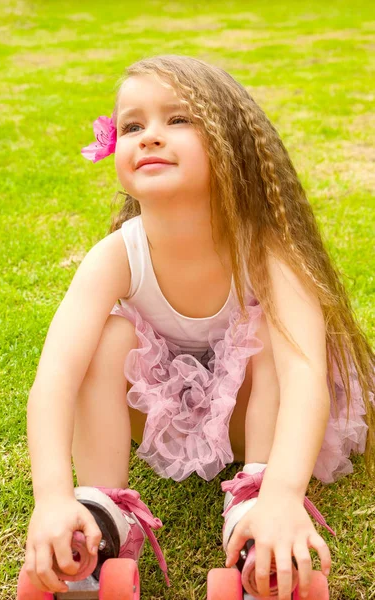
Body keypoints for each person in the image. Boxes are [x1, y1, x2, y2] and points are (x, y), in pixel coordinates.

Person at [23, 54, 375, 600]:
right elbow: (54, 381)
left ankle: (255, 503)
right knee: (107, 335)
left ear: (230, 141)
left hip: (254, 417)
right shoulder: (115, 255)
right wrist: (51, 495)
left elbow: (304, 380)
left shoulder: (267, 252)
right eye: (133, 125)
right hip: (161, 413)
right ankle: (102, 509)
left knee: (268, 331)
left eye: (178, 119)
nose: (150, 136)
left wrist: (284, 493)